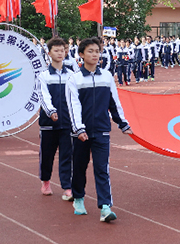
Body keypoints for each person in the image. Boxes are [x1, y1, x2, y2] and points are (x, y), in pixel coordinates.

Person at [66, 37, 133, 222]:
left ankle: (105, 206)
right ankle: (78, 198)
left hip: (102, 130)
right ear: (81, 54)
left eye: (97, 51)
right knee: (79, 167)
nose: (95, 54)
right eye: (90, 51)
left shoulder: (106, 76)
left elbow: (114, 102)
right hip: (81, 133)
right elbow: (73, 106)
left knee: (102, 169)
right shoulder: (74, 79)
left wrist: (122, 123)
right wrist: (79, 129)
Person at [37, 37, 75, 200]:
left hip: (67, 122)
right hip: (48, 123)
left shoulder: (72, 75)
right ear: (49, 53)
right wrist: (51, 111)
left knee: (67, 155)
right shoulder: (43, 76)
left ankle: (67, 186)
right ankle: (45, 181)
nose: (60, 53)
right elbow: (43, 96)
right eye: (56, 50)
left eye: (62, 50)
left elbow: (76, 97)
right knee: (47, 155)